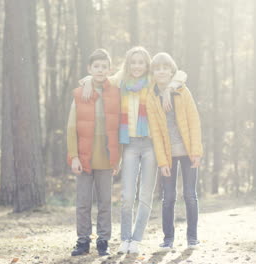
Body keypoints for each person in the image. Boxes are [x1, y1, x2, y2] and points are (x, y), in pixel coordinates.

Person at [81, 46, 186, 254]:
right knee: (128, 196)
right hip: (129, 144)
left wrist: (169, 88)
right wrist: (85, 80)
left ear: (147, 65)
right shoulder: (121, 82)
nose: (137, 66)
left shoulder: (153, 82)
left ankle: (136, 240)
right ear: (128, 64)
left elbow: (181, 74)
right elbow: (100, 78)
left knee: (145, 196)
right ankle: (125, 238)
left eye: (141, 63)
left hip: (150, 145)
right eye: (133, 62)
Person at [146, 52, 203, 250]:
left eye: (165, 68)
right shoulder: (151, 97)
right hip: (168, 155)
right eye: (157, 68)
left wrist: (196, 151)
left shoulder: (182, 91)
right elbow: (154, 131)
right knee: (168, 197)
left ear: (172, 70)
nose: (161, 71)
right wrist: (162, 162)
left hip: (188, 152)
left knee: (190, 194)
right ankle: (168, 239)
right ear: (153, 72)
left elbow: (194, 122)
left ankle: (192, 238)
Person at [67, 48, 121, 256]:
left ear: (110, 69)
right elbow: (72, 128)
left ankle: (103, 241)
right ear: (89, 69)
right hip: (84, 156)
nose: (100, 70)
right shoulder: (81, 94)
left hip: (106, 157)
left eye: (104, 66)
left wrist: (118, 158)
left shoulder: (115, 92)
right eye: (96, 66)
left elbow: (119, 128)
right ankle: (82, 241)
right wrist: (74, 156)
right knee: (83, 202)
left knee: (105, 202)